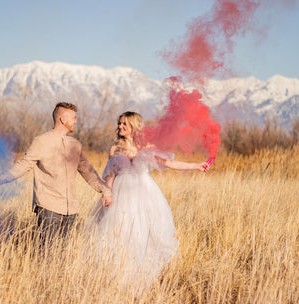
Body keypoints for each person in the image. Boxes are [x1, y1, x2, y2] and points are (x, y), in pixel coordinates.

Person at [87, 111, 209, 288]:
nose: (120, 127)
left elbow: (169, 163)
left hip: (145, 194)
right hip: (121, 195)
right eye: (119, 123)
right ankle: (119, 277)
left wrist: (196, 166)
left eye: (125, 124)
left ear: (134, 126)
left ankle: (144, 277)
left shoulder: (147, 146)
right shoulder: (115, 148)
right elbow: (110, 175)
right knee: (120, 233)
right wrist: (107, 193)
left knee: (146, 232)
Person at [0, 102, 112, 240]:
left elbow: (88, 172)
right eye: (73, 118)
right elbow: (24, 164)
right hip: (48, 207)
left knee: (63, 253)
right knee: (47, 252)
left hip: (71, 209)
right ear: (63, 120)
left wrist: (105, 190)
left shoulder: (75, 145)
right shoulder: (41, 141)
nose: (76, 121)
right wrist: (2, 178)